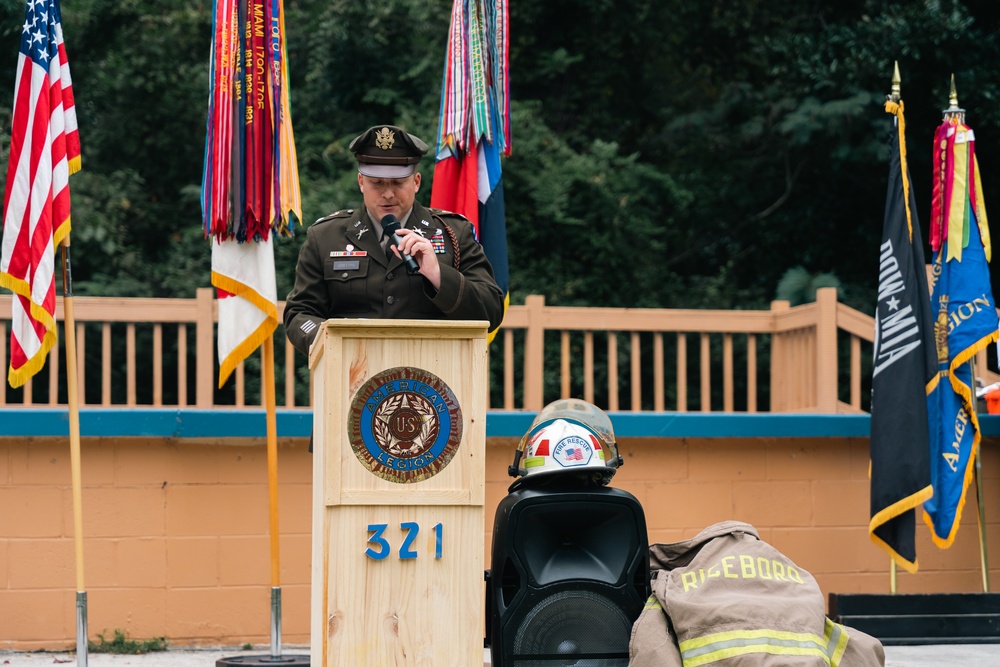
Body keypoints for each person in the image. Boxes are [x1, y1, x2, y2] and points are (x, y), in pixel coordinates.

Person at [283, 124, 505, 356]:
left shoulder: (454, 233)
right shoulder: (325, 237)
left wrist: (438, 275)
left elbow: (491, 312)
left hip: (431, 377)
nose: (387, 193)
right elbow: (300, 312)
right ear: (361, 182)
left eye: (398, 183)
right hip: (348, 372)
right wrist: (328, 342)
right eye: (376, 183)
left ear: (416, 182)